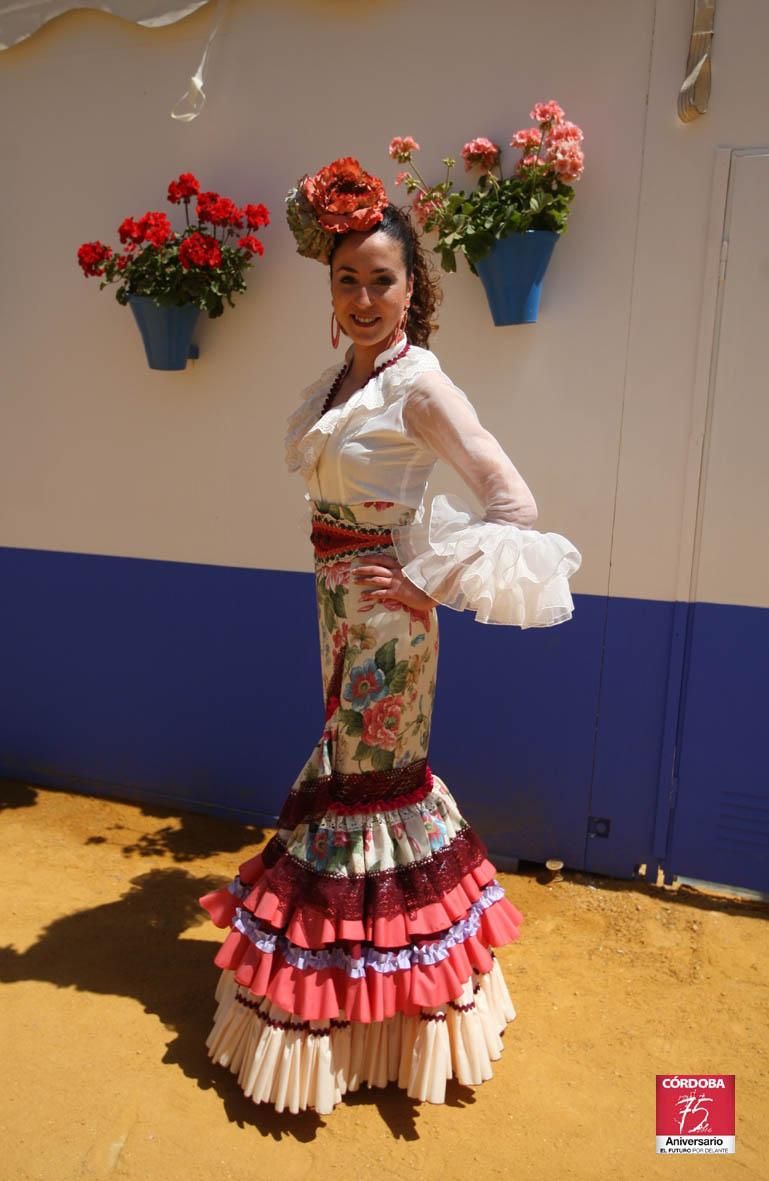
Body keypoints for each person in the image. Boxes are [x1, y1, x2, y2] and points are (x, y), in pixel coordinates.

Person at [199, 157, 581, 1115]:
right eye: (347, 278)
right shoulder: (344, 378)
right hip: (338, 615)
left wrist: (418, 576)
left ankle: (384, 1021)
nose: (364, 296)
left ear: (415, 287)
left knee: (368, 795)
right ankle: (365, 1005)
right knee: (342, 785)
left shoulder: (419, 387)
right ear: (329, 287)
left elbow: (514, 501)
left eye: (383, 278)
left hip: (388, 633)